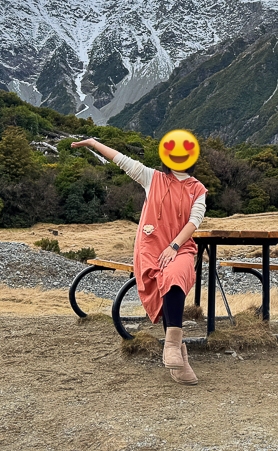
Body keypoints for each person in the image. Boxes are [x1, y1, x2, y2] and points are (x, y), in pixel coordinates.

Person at [70, 132, 206, 386]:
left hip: (180, 247)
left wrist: (174, 246)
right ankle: (178, 356)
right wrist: (93, 143)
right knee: (166, 281)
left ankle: (173, 346)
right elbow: (121, 159)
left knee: (175, 275)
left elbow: (193, 221)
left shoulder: (197, 189)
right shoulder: (152, 177)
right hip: (150, 248)